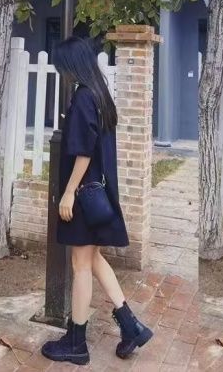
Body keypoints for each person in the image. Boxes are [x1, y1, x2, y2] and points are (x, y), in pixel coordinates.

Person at [41, 36, 153, 365]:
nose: (61, 72)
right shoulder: (99, 93)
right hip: (95, 195)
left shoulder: (83, 97)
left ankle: (77, 343)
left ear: (72, 65)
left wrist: (68, 192)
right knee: (93, 260)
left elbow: (84, 151)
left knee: (80, 266)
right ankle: (131, 326)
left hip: (82, 195)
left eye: (62, 66)